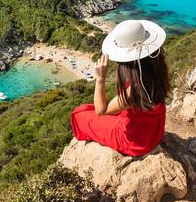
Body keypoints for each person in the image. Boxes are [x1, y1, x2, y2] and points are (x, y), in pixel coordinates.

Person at [70, 19, 172, 156]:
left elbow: (102, 110)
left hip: (136, 141)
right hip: (153, 132)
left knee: (79, 114)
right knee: (89, 108)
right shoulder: (157, 69)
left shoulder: (135, 90)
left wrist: (100, 79)